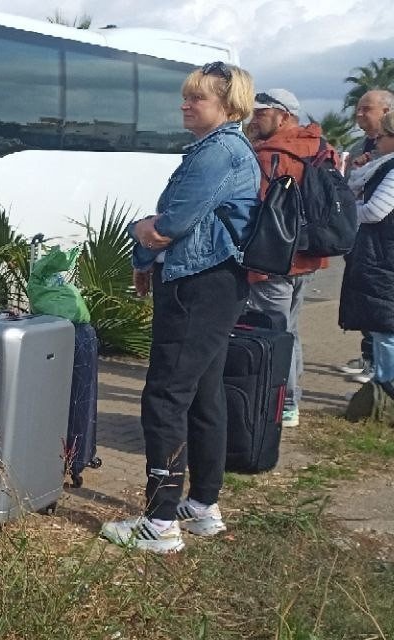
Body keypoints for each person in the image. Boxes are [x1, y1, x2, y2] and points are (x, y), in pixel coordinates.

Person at [100, 61, 259, 554]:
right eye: (186, 97)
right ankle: (202, 506)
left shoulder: (220, 153)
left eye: (197, 98)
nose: (185, 104)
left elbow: (170, 225)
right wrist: (150, 245)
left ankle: (160, 520)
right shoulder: (228, 149)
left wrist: (142, 235)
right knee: (204, 394)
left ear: (228, 105)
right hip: (215, 284)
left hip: (197, 285)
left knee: (166, 396)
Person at [245, 88, 338, 427]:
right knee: (291, 329)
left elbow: (257, 210)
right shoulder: (321, 147)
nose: (254, 118)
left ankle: (284, 404)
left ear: (283, 115)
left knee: (275, 332)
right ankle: (290, 401)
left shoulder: (271, 153)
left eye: (262, 112)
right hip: (310, 254)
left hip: (275, 259)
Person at [337, 89, 394, 382]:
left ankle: (383, 386)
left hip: (382, 251)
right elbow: (353, 187)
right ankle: (370, 358)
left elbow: (375, 209)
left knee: (384, 318)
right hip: (369, 248)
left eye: (365, 109)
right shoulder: (362, 147)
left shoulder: (390, 165)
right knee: (373, 308)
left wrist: (348, 211)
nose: (359, 114)